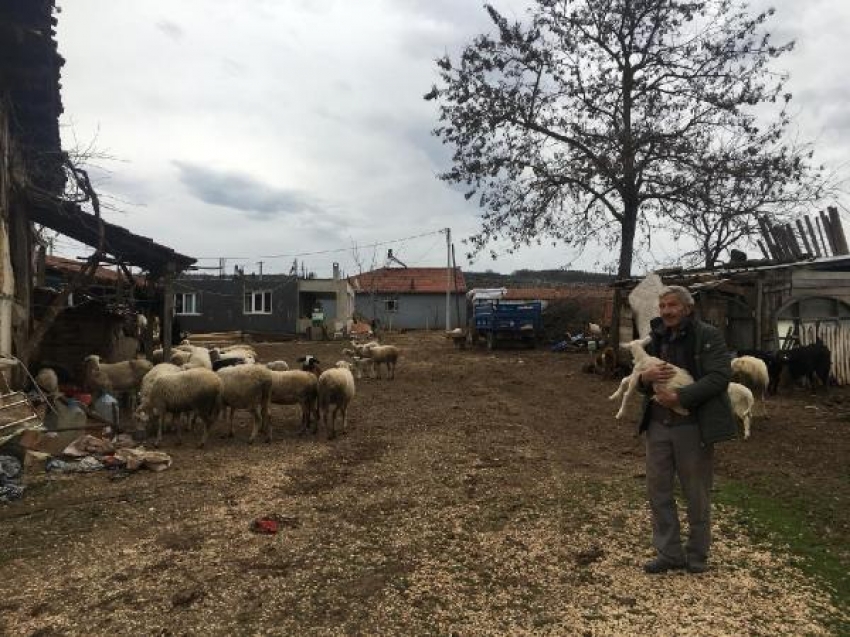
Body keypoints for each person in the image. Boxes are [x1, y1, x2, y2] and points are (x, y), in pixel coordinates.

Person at [636, 285, 737, 574]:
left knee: (696, 493)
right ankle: (669, 554)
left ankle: (697, 555)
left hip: (692, 426)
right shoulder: (654, 338)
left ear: (687, 308)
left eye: (672, 306)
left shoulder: (708, 336)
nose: (666, 311)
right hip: (657, 425)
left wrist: (681, 397)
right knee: (658, 491)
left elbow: (720, 375)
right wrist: (645, 378)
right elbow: (637, 375)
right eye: (663, 306)